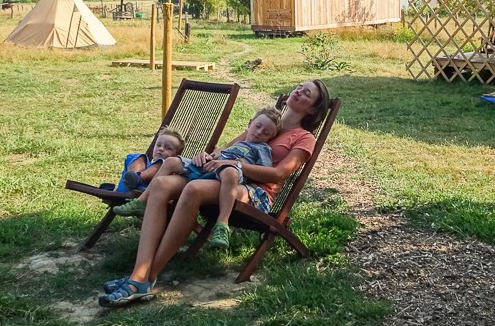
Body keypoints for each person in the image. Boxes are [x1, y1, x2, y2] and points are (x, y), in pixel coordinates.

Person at [98, 79, 331, 307]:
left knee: (193, 188)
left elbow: (279, 173)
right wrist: (208, 156)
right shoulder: (266, 124)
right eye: (300, 86)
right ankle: (139, 274)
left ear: (311, 109)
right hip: (222, 178)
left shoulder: (304, 138)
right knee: (160, 185)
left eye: (307, 93)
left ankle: (144, 279)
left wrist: (238, 166)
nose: (299, 91)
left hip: (253, 192)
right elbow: (224, 150)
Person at [110, 107, 282, 250]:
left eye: (266, 133)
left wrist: (239, 163)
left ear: (270, 137)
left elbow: (265, 170)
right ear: (250, 124)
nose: (259, 133)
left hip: (226, 173)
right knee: (170, 161)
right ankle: (142, 201)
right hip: (207, 166)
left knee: (230, 172)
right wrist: (204, 156)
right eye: (257, 126)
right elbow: (216, 153)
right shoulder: (237, 143)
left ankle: (222, 224)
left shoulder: (262, 149)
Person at [103, 127, 185, 193]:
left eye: (168, 148)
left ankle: (138, 178)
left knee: (163, 164)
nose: (161, 149)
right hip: (125, 190)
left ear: (176, 156)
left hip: (144, 193)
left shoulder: (173, 171)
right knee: (138, 156)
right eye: (158, 145)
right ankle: (132, 178)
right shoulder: (145, 163)